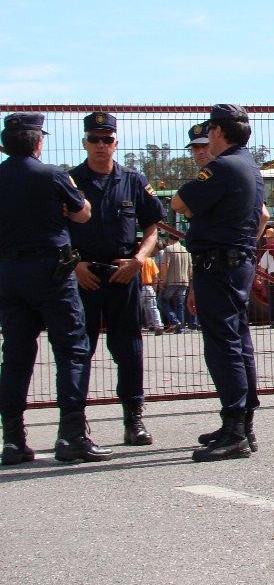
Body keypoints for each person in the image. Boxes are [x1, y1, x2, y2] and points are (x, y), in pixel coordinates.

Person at [0, 113, 112, 465]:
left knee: (16, 357)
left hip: (9, 271)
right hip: (51, 271)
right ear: (38, 142)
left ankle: (13, 441)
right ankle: (71, 435)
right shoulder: (52, 175)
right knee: (71, 351)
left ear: (5, 144)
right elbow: (82, 214)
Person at [172, 104, 269, 461]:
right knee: (237, 342)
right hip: (235, 262)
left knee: (223, 344)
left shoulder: (223, 166)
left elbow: (180, 202)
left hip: (219, 265)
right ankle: (241, 424)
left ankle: (235, 429)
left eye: (209, 131)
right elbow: (263, 216)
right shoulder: (249, 165)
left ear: (217, 131)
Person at [68, 112, 165, 447]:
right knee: (79, 351)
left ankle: (133, 420)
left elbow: (152, 228)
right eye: (94, 139)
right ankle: (76, 424)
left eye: (106, 140)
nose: (100, 146)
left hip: (124, 274)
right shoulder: (70, 182)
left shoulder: (133, 181)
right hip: (84, 278)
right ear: (85, 143)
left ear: (115, 143)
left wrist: (139, 261)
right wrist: (75, 265)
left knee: (129, 349)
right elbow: (57, 232)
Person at [159, 236, 192, 334]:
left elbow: (165, 265)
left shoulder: (169, 249)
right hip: (184, 281)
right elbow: (190, 268)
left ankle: (175, 321)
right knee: (180, 305)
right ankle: (180, 328)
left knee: (161, 301)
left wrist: (162, 280)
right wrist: (189, 279)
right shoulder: (186, 250)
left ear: (170, 239)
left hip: (171, 280)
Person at [139, 255, 163, 334]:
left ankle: (136, 326)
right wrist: (154, 288)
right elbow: (155, 276)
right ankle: (158, 325)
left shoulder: (137, 260)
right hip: (149, 287)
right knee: (153, 308)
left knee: (137, 308)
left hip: (139, 287)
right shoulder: (150, 260)